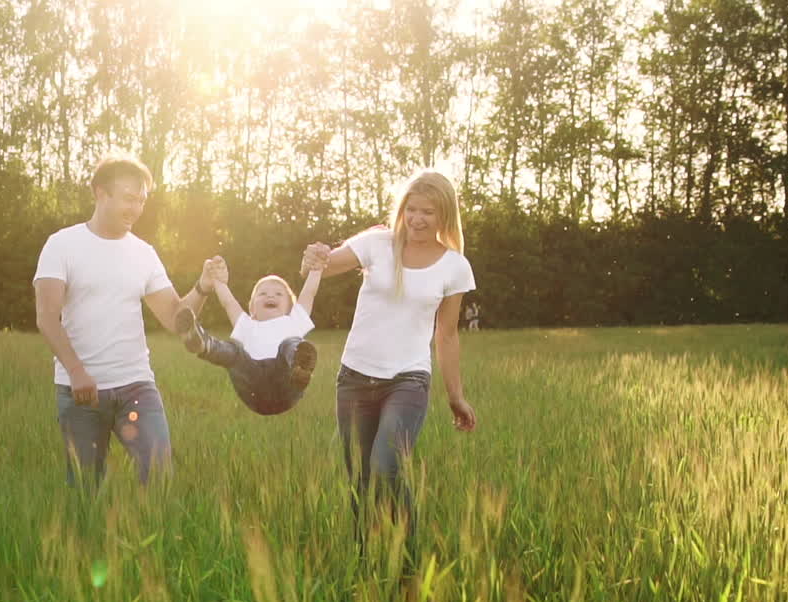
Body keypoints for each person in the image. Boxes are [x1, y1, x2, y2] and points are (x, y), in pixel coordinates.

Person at [302, 169, 477, 553]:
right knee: (361, 480)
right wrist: (314, 257)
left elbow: (446, 334)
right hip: (354, 378)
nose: (417, 218)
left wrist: (456, 396)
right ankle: (366, 562)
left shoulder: (454, 267)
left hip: (408, 381)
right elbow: (324, 266)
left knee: (386, 465)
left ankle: (410, 561)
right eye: (411, 209)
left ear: (444, 215)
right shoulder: (377, 243)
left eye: (427, 212)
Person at [33, 153, 215, 486]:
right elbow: (46, 317)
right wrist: (77, 371)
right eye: (129, 198)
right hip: (81, 391)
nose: (136, 208)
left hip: (136, 386)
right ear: (101, 193)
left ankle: (152, 536)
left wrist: (203, 287)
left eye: (142, 200)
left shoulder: (143, 253)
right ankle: (91, 539)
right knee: (85, 492)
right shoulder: (62, 245)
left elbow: (175, 319)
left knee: (159, 476)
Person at [173, 255, 325, 415]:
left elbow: (309, 293)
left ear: (290, 307)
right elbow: (228, 302)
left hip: (286, 382)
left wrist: (317, 268)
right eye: (262, 294)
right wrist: (217, 279)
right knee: (235, 351)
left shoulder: (294, 321)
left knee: (291, 342)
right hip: (252, 384)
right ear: (252, 308)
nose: (270, 296)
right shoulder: (247, 324)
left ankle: (299, 364)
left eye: (279, 294)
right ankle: (205, 344)